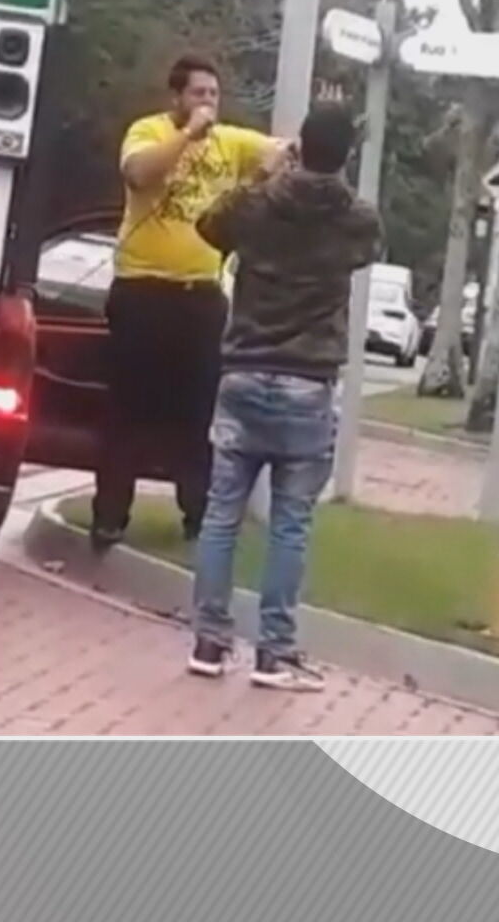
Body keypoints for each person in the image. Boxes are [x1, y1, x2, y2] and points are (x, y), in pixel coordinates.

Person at [185, 102, 382, 692]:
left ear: (299, 144)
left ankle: (209, 643)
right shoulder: (357, 218)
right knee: (290, 525)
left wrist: (267, 174)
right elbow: (365, 250)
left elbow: (209, 227)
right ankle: (274, 654)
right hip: (308, 382)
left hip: (244, 370)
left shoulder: (258, 203)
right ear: (346, 154)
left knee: (222, 514)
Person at [92, 54, 290, 550]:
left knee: (198, 413)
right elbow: (139, 175)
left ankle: (197, 516)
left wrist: (276, 162)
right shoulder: (149, 132)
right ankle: (110, 515)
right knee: (127, 412)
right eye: (198, 94)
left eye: (213, 96)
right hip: (142, 290)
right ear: (176, 98)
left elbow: (286, 152)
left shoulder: (231, 142)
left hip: (199, 296)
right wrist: (187, 137)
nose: (207, 104)